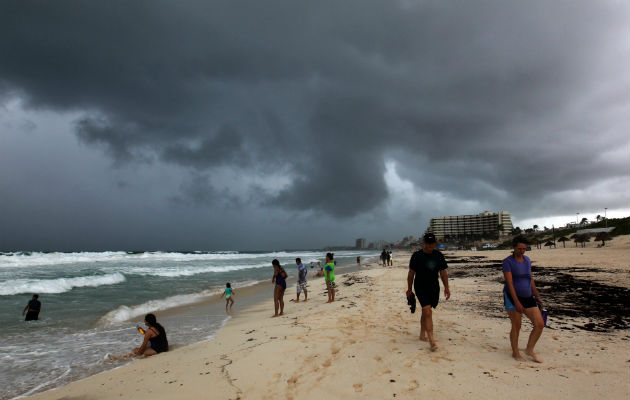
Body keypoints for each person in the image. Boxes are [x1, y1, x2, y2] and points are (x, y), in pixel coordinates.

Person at [503, 236, 545, 363]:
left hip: (528, 296)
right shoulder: (507, 262)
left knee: (539, 324)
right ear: (513, 248)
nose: (522, 251)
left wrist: (537, 295)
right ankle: (515, 353)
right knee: (516, 325)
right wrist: (516, 302)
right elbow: (509, 283)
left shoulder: (527, 260)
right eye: (519, 248)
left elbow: (530, 278)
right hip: (512, 297)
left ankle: (529, 349)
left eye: (524, 249)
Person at [406, 233, 450, 351]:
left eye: (432, 243)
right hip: (420, 286)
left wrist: (447, 287)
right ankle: (432, 340)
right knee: (427, 310)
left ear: (435, 243)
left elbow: (443, 272)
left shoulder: (438, 255)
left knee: (426, 311)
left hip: (434, 287)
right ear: (424, 243)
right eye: (428, 243)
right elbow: (411, 274)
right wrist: (409, 289)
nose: (430, 245)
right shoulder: (416, 256)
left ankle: (422, 334)